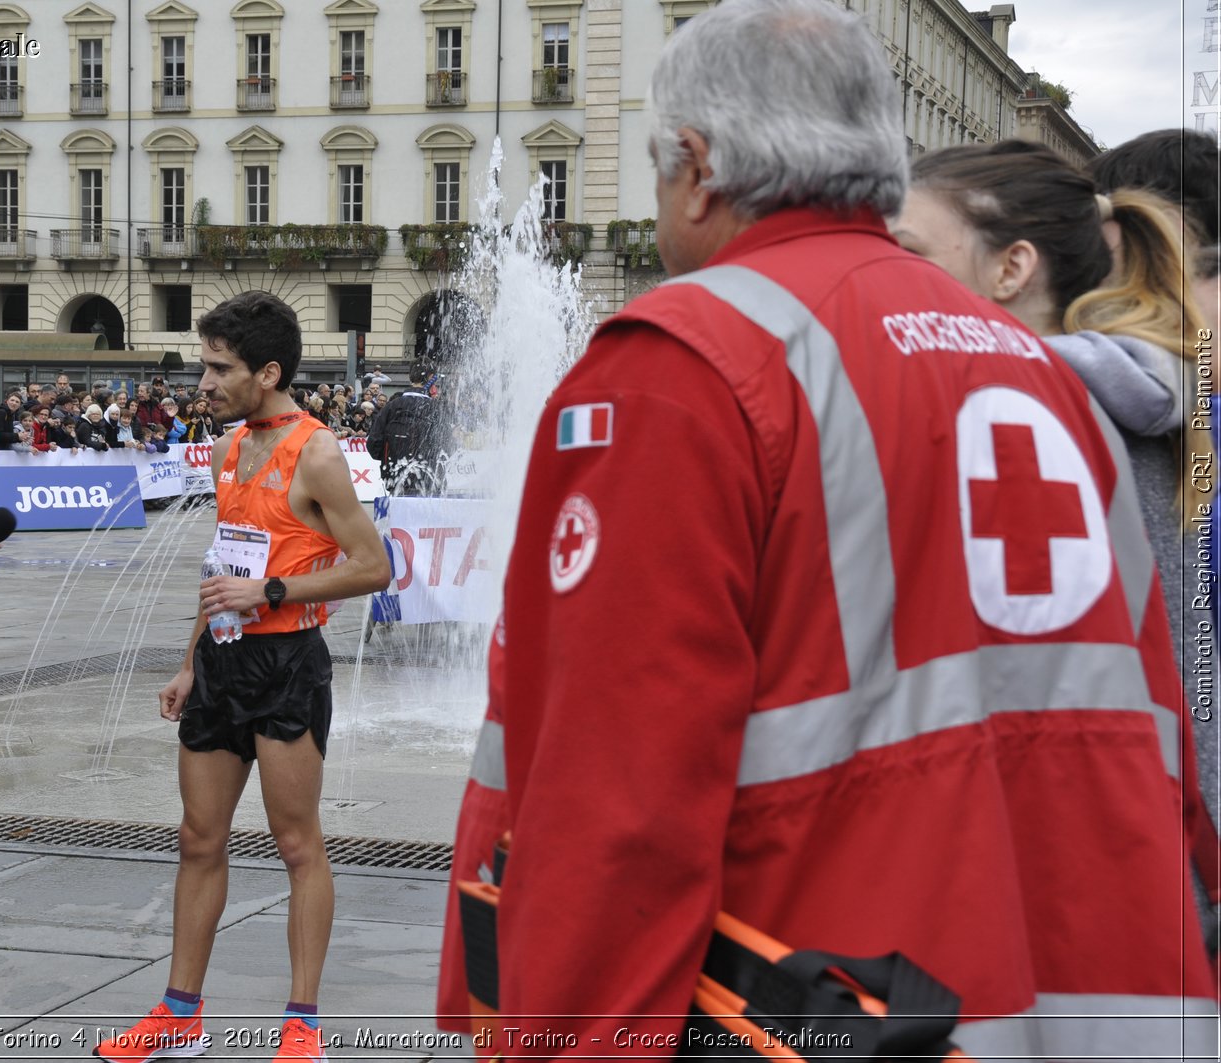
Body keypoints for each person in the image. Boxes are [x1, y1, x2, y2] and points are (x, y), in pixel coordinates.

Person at [442, 0, 1219, 1056]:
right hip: (1085, 996)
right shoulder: (1041, 374)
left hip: (831, 994)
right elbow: (1158, 710)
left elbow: (615, 805)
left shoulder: (690, 361)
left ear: (698, 165)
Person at [896, 138, 1220, 947]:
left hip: (1098, 873)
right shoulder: (1148, 394)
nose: (888, 280)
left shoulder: (1022, 420)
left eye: (909, 254)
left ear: (1011, 270)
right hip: (1158, 852)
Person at [94, 291, 389, 1063]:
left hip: (288, 661)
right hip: (223, 661)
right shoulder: (229, 449)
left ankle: (301, 1025)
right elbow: (223, 563)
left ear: (268, 370)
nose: (204, 379)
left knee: (297, 844)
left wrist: (274, 592)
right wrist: (191, 659)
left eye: (220, 367)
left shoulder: (316, 451)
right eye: (204, 363)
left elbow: (374, 566)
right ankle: (180, 1014)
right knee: (199, 838)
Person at [365, 364, 447, 496]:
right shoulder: (437, 409)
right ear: (431, 378)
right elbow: (447, 446)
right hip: (428, 480)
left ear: (410, 378)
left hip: (396, 479)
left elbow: (373, 443)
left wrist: (391, 457)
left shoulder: (391, 406)